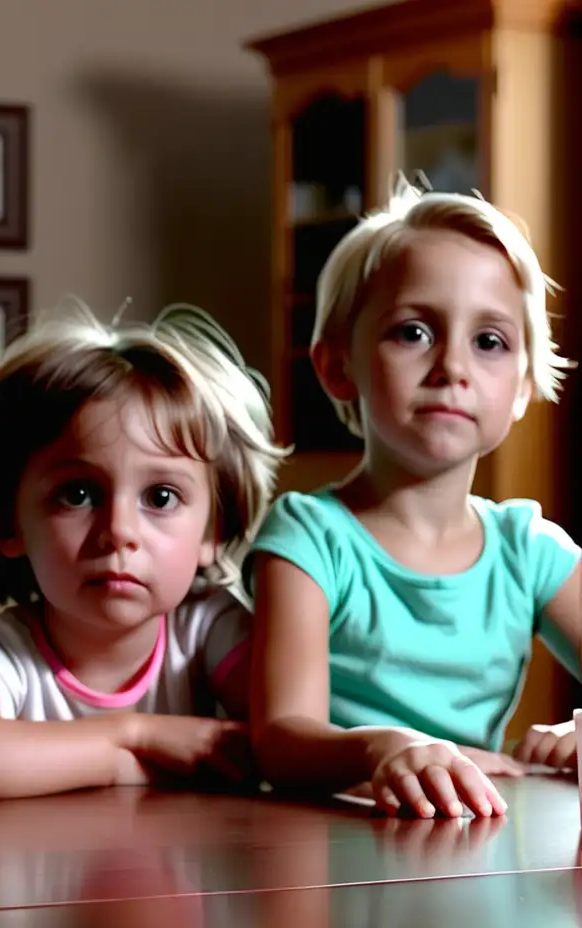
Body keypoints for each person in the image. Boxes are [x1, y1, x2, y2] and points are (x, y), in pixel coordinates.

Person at [247, 182, 582, 820]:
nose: (452, 366)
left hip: (474, 847)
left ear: (521, 386)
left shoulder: (529, 549)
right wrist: (388, 749)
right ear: (336, 366)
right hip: (335, 845)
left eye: (490, 342)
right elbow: (280, 738)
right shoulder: (308, 537)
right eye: (414, 331)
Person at [0, 302, 286, 800]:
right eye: (78, 494)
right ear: (8, 523)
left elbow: (285, 739)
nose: (118, 532)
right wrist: (135, 738)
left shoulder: (208, 629)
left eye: (161, 497)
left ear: (213, 530)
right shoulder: (2, 648)